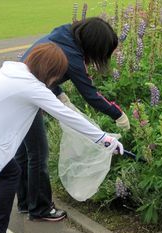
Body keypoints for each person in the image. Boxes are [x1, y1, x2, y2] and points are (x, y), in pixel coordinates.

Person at [0, 43, 124, 233]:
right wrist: (103, 138)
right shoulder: (32, 87)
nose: (56, 81)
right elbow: (66, 115)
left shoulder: (12, 72)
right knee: (10, 173)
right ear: (50, 72)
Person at [15, 17, 130, 222]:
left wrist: (57, 91)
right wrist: (117, 114)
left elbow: (40, 70)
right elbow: (90, 94)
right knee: (38, 154)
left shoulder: (62, 36)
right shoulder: (71, 54)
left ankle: (26, 203)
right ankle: (40, 209)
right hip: (27, 100)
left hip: (19, 94)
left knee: (25, 153)